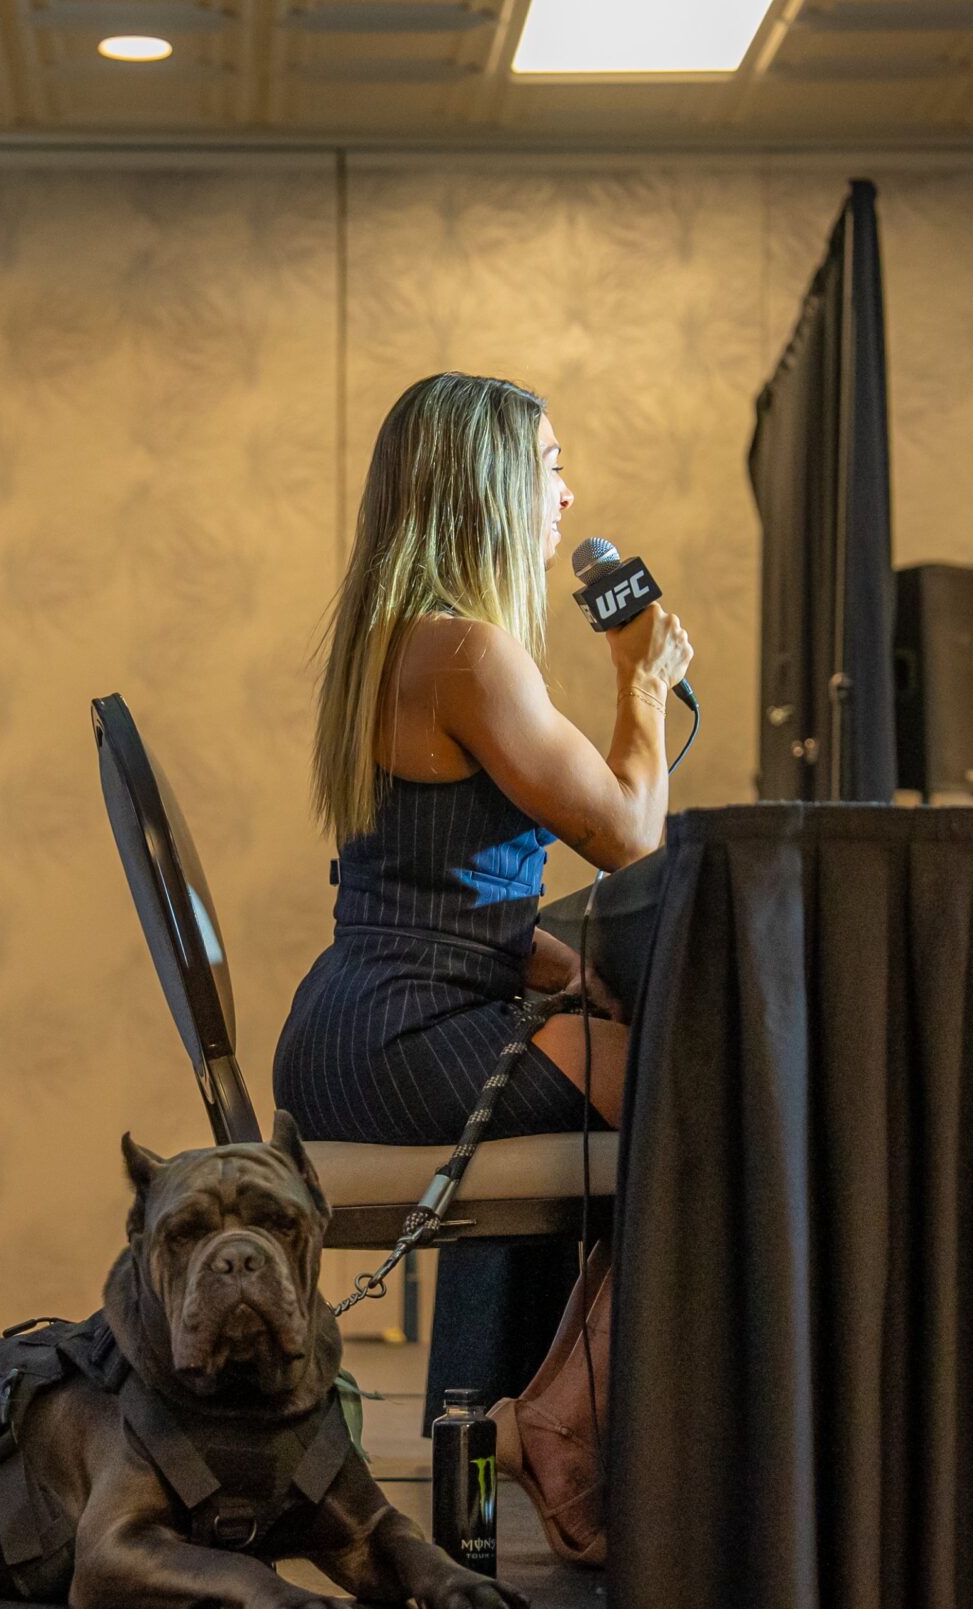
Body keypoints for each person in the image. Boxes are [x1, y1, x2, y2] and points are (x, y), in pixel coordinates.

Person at [273, 372, 693, 1422]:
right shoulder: (467, 651)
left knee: (663, 1085)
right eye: (548, 466)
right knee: (707, 1113)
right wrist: (639, 679)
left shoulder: (395, 640)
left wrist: (561, 968)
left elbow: (435, 888)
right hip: (409, 1039)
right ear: (489, 486)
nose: (566, 492)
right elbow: (629, 837)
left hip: (345, 1029)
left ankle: (545, 1411)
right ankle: (555, 1423)